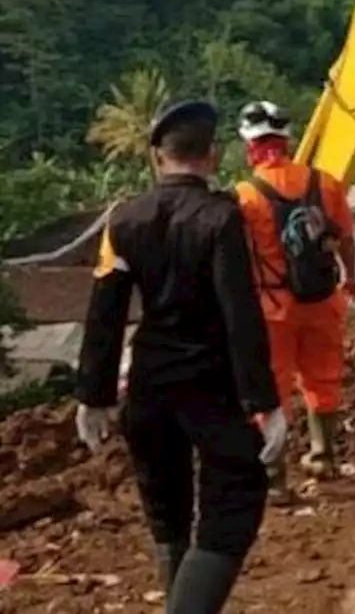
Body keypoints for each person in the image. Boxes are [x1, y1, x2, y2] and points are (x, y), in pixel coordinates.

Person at [74, 99, 287, 614]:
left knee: (167, 512)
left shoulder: (124, 219)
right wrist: (264, 400)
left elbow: (104, 310)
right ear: (212, 155)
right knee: (236, 497)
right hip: (209, 387)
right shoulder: (220, 217)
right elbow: (240, 312)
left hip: (148, 384)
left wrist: (93, 395)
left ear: (155, 158)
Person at [233, 100, 355, 499]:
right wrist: (350, 278)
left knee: (273, 388)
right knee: (323, 378)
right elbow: (346, 237)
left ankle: (275, 478)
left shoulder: (244, 196)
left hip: (272, 308)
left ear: (250, 145)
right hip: (322, 299)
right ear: (286, 140)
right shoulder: (324, 182)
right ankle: (323, 456)